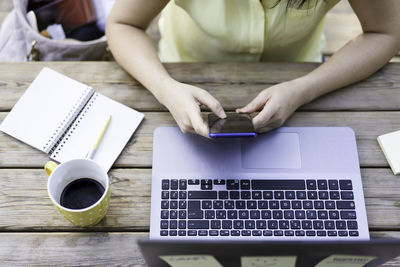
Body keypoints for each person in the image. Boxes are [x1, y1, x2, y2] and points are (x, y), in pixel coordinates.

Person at [106, 0, 400, 137]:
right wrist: (164, 87)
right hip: (182, 76)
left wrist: (302, 90)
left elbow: (385, 33)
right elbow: (123, 24)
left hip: (302, 76)